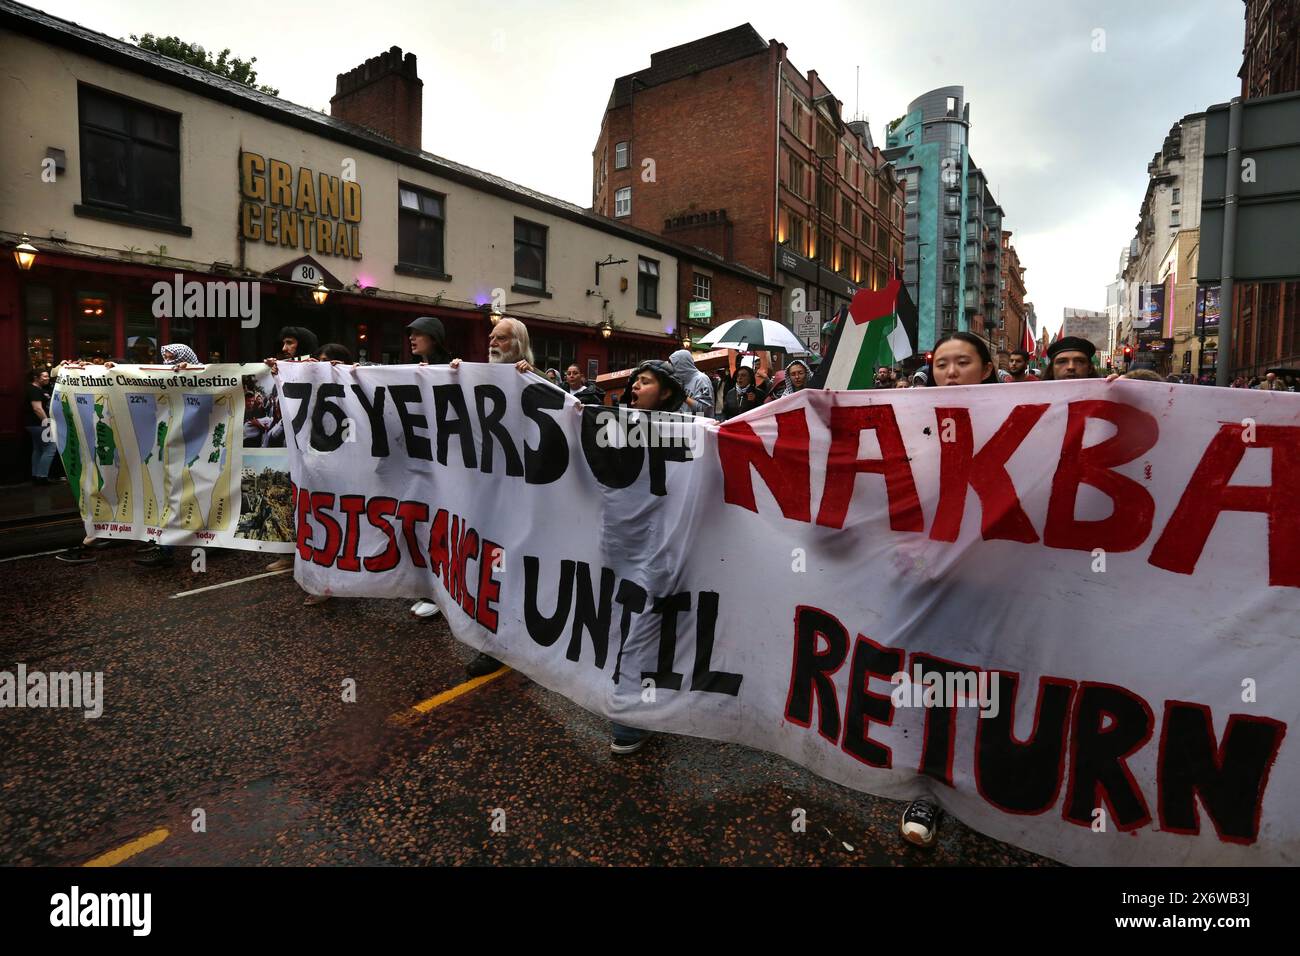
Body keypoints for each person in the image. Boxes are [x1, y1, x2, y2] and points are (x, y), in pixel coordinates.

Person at [900, 331, 1000, 847]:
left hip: (1002, 577)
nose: (951, 372)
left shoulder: (1024, 418)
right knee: (937, 679)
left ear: (987, 367)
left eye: (963, 362)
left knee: (995, 682)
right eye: (942, 363)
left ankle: (997, 787)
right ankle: (932, 789)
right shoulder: (909, 418)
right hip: (932, 574)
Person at [610, 359, 689, 755]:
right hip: (623, 544)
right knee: (626, 623)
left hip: (663, 546)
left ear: (668, 391)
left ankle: (628, 720)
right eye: (634, 382)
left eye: (645, 381)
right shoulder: (611, 424)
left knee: (643, 625)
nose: (636, 387)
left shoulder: (694, 431)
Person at [135, 343, 208, 568]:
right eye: (164, 357)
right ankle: (166, 545)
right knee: (174, 496)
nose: (167, 362)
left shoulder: (203, 375)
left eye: (171, 357)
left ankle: (172, 547)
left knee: (189, 497)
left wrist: (193, 373)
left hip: (195, 449)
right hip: (171, 447)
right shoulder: (166, 377)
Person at [25, 368, 56, 485]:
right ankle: (42, 477)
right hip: (39, 424)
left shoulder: (36, 389)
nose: (47, 378)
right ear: (36, 378)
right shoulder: (34, 390)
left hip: (33, 425)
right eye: (44, 376)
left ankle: (36, 475)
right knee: (50, 447)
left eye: (47, 376)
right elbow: (37, 408)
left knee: (38, 449)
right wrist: (47, 422)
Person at [669, 349, 715, 417]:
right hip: (686, 425)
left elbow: (706, 410)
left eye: (673, 364)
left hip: (700, 425)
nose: (671, 368)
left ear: (682, 364)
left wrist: (684, 397)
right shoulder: (681, 381)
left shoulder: (701, 379)